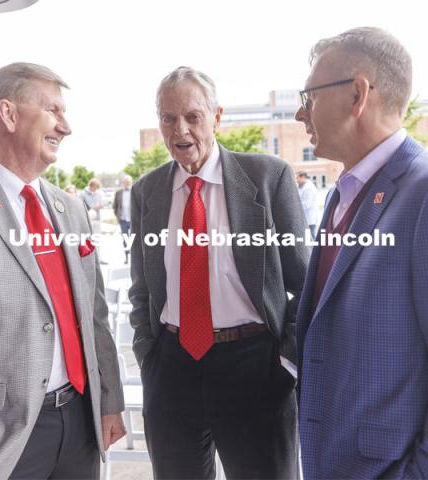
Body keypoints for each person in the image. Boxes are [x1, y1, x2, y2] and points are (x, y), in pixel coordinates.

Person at [129, 66, 309, 479]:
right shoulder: (147, 191)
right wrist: (148, 355)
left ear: (217, 116)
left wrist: (287, 362)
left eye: (193, 116)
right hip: (172, 365)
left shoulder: (268, 176)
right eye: (168, 117)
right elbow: (142, 288)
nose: (181, 129)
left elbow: (305, 282)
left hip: (255, 365)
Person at [0, 62, 125, 479]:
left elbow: (94, 315)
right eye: (53, 111)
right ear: (8, 115)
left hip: (80, 425)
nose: (66, 127)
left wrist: (108, 400)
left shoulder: (72, 208)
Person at [295, 27, 428, 479]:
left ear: (357, 94)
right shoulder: (342, 193)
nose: (300, 112)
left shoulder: (422, 193)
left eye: (309, 95)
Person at [113, 175, 133, 264]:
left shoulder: (135, 191)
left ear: (131, 182)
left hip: (133, 220)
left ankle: (134, 257)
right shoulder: (119, 193)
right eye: (126, 182)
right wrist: (118, 215)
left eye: (128, 182)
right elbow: (115, 206)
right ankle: (126, 257)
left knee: (134, 239)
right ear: (123, 183)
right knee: (125, 239)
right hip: (123, 220)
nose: (127, 183)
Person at [296, 171, 318, 238]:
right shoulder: (302, 186)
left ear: (303, 177)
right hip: (305, 218)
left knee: (311, 238)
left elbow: (307, 204)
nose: (296, 180)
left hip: (309, 219)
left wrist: (295, 208)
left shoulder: (309, 188)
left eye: (297, 178)